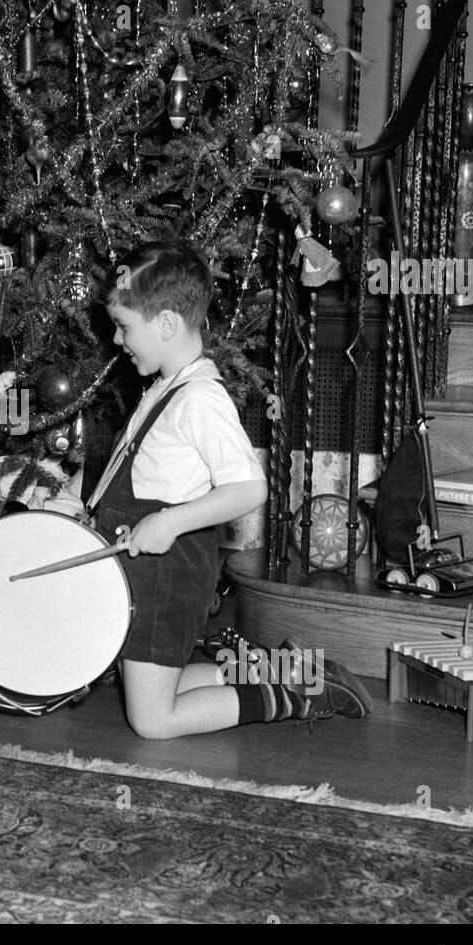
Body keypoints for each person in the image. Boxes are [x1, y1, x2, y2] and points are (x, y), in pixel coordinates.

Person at [88, 239, 371, 739]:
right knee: (157, 685)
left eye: (124, 327)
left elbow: (248, 489)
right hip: (143, 568)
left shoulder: (199, 398)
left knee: (153, 721)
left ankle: (296, 698)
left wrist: (171, 521)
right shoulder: (165, 386)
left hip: (167, 573)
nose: (117, 340)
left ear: (168, 324)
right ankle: (282, 670)